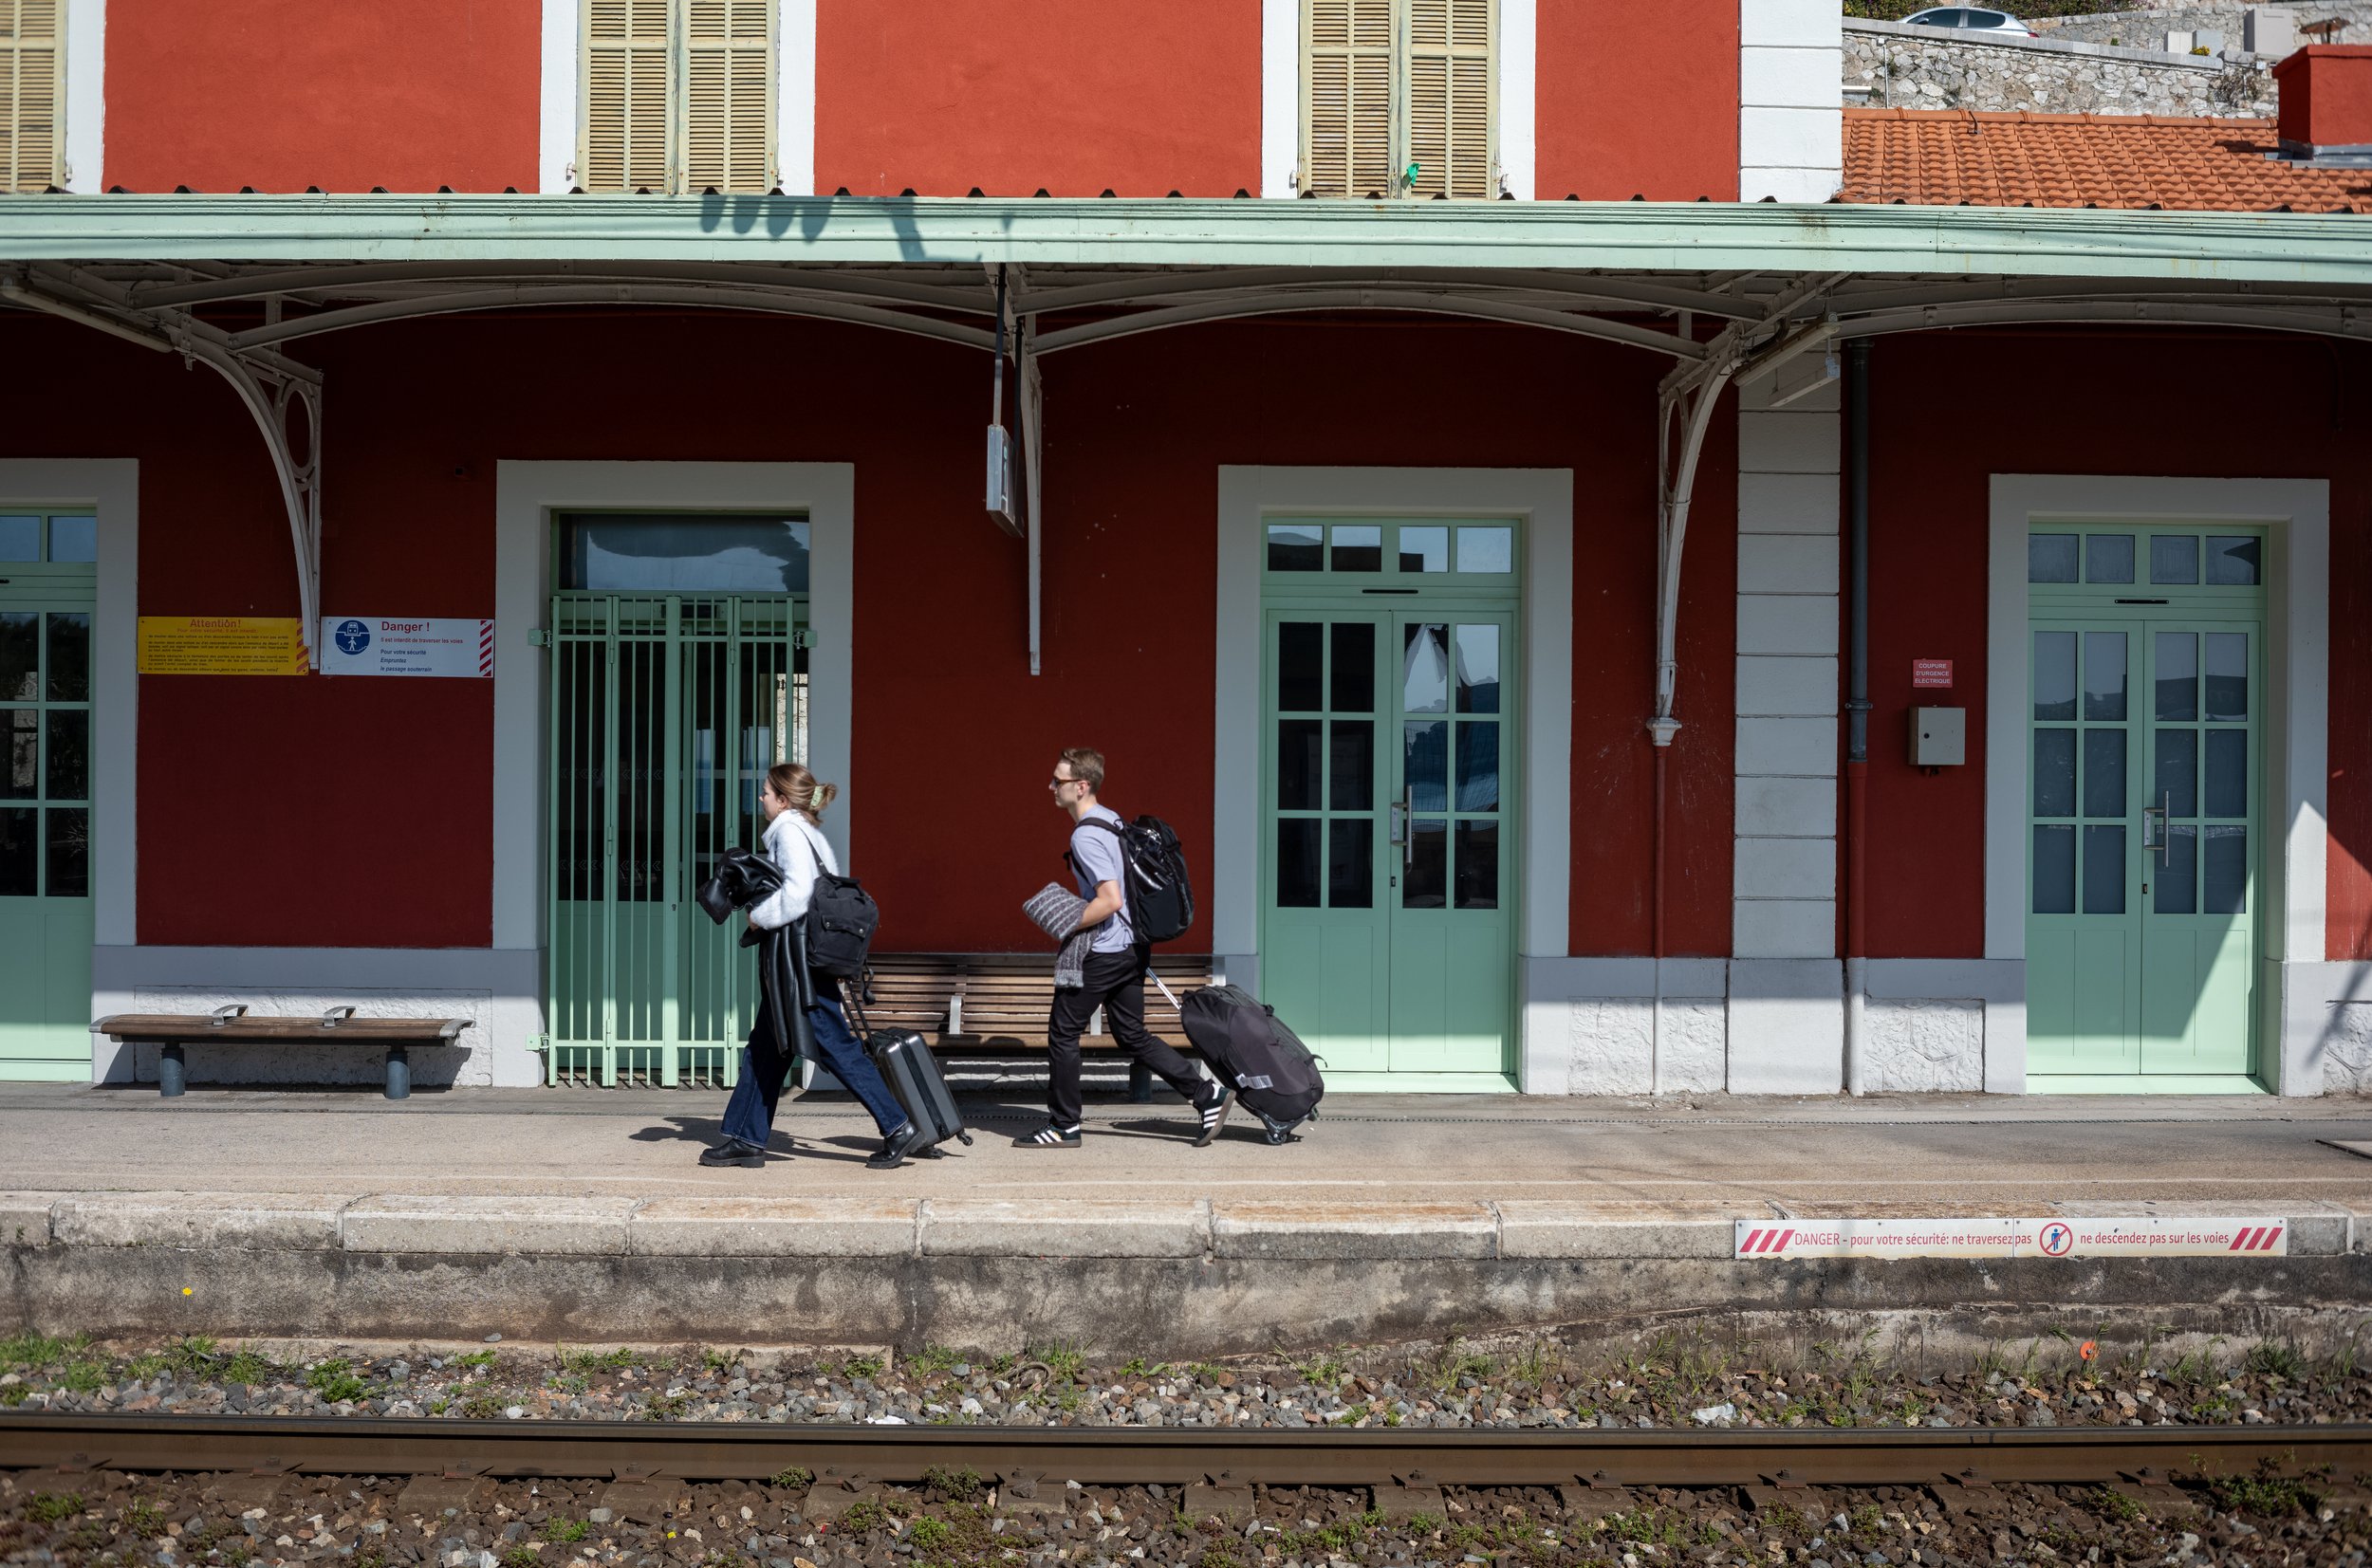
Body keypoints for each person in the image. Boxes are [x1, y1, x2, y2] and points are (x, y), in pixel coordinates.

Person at [705, 762, 928, 1171]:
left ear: (784, 800)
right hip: (802, 959)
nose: (762, 799)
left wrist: (758, 917)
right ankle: (745, 1138)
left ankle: (898, 1126)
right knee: (766, 1048)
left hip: (797, 964)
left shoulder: (789, 830)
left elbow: (799, 893)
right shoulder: (809, 833)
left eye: (767, 793)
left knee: (834, 1045)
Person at [1015, 747, 1232, 1150]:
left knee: (1063, 1034)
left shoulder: (1085, 835)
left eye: (1057, 781)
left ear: (1081, 786)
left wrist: (1066, 922)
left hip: (1107, 950)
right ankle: (1207, 1096)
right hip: (1133, 946)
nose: (1050, 787)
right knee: (1131, 1034)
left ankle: (1064, 1125)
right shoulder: (1113, 820)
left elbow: (1110, 899)